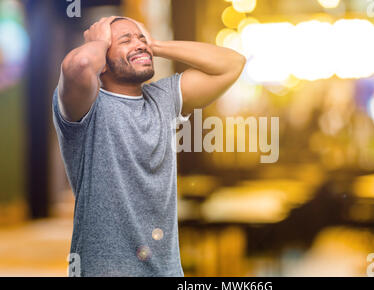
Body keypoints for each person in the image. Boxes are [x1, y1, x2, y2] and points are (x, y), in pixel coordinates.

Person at [52, 16, 245, 276]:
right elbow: (81, 63)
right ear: (103, 61)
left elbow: (232, 64)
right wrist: (99, 40)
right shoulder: (87, 107)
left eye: (141, 37)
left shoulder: (162, 99)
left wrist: (155, 44)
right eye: (124, 40)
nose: (139, 43)